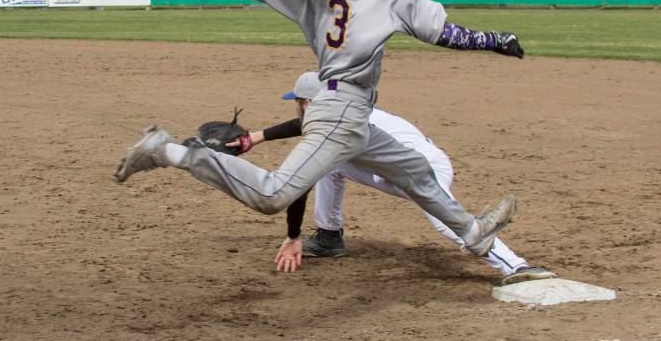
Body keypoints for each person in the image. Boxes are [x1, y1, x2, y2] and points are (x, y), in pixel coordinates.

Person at [116, 0, 526, 262]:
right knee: (272, 195)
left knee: (416, 172)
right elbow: (445, 33)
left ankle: (473, 234)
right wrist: (497, 41)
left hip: (349, 111)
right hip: (343, 112)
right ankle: (167, 150)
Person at [236, 71, 555, 285]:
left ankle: (516, 266)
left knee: (445, 220)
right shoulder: (342, 111)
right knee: (331, 167)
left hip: (421, 167)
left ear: (310, 103)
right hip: (388, 170)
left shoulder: (338, 125)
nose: (297, 108)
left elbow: (301, 179)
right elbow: (302, 127)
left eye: (298, 101)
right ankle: (329, 237)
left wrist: (292, 235)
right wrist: (257, 136)